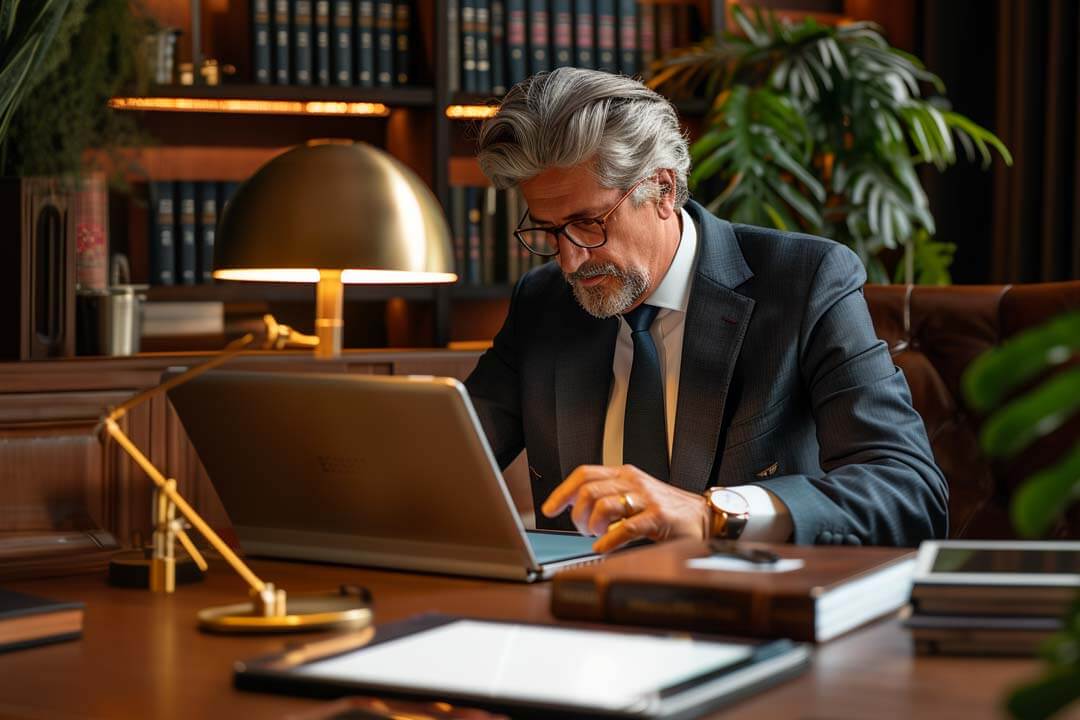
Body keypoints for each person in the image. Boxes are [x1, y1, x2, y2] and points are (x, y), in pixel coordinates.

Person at [465, 67, 948, 551]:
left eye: (588, 224)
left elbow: (909, 492)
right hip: (576, 608)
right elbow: (448, 458)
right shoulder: (543, 303)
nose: (570, 260)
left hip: (748, 607)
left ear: (663, 189)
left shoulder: (806, 281)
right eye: (549, 232)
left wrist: (713, 513)